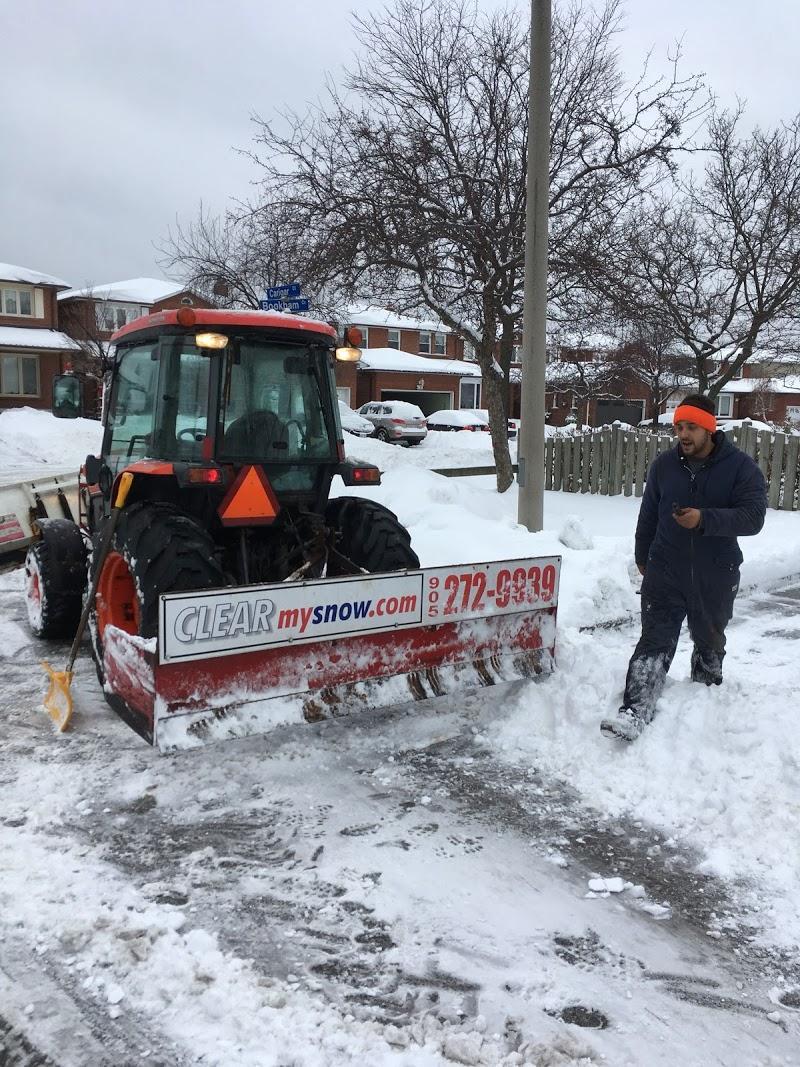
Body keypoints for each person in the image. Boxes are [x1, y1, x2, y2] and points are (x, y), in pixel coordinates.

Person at [600, 395, 767, 742]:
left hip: (716, 572)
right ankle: (634, 713)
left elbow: (753, 518)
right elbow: (648, 514)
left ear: (709, 429)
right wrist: (643, 556)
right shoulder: (664, 466)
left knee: (709, 644)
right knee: (654, 642)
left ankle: (702, 717)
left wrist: (704, 519)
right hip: (665, 569)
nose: (683, 434)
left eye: (691, 427)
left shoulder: (740, 468)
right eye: (679, 427)